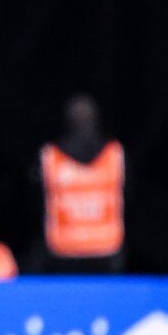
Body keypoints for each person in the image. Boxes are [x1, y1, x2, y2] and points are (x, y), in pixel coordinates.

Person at [32, 94, 125, 273]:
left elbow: (35, 202)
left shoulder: (49, 157)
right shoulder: (116, 154)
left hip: (79, 253)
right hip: (87, 253)